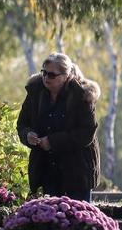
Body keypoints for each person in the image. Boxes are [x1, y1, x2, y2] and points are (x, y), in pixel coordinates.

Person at [16, 53, 101, 201]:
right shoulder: (35, 92)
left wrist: (52, 141)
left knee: (78, 214)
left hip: (77, 170)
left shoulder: (82, 95)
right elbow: (22, 124)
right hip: (47, 168)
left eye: (51, 75)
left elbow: (86, 133)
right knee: (50, 213)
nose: (46, 77)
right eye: (43, 72)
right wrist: (28, 135)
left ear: (66, 76)